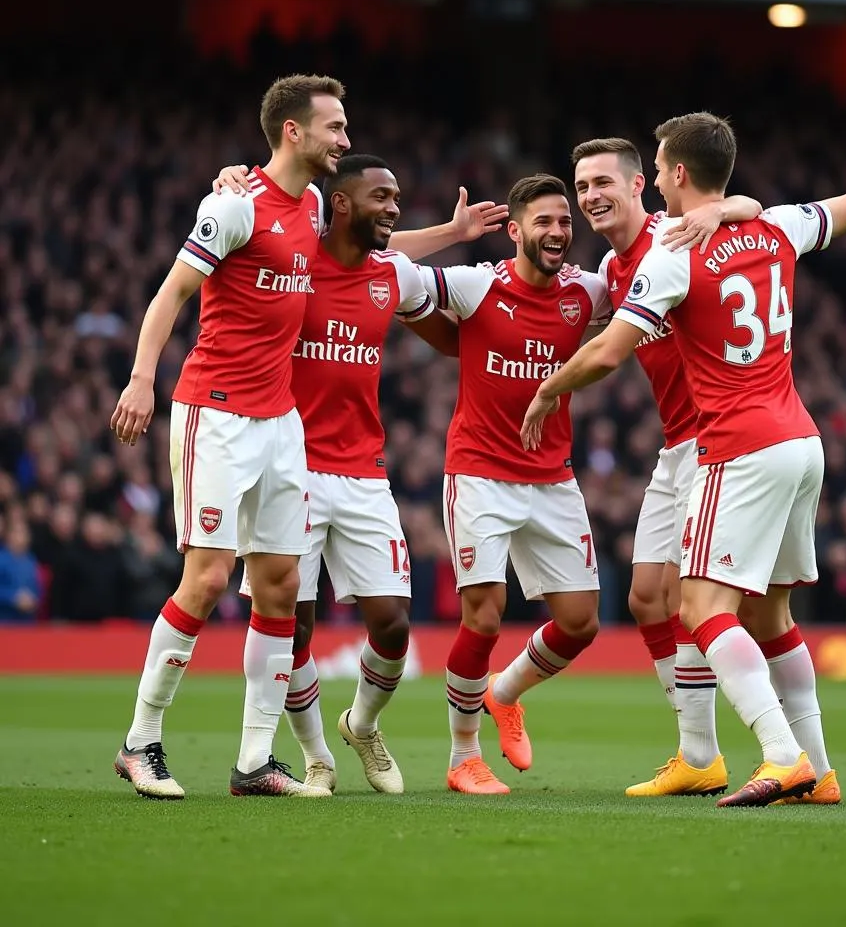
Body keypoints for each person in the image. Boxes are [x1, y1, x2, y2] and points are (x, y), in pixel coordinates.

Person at [523, 68, 846, 806]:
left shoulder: (671, 254)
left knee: (703, 610)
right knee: (771, 615)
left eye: (657, 170)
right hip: (802, 441)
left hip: (736, 446)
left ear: (675, 175)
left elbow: (612, 350)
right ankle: (821, 770)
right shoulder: (771, 224)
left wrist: (551, 387)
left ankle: (780, 756)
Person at [216, 155, 507, 793]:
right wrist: (230, 179)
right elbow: (245, 232)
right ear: (339, 205)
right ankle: (315, 753)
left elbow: (450, 320)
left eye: (398, 196)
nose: (395, 206)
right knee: (292, 624)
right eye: (382, 195)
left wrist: (462, 249)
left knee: (393, 623)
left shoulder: (392, 276)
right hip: (288, 464)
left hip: (365, 474)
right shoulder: (292, 264)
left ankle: (362, 724)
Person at [110, 74, 350, 799]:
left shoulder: (310, 204)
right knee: (209, 576)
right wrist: (141, 379)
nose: (346, 138)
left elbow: (376, 244)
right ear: (292, 132)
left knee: (279, 585)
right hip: (215, 412)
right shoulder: (232, 206)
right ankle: (139, 742)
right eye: (334, 127)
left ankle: (254, 762)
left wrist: (454, 235)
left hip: (281, 423)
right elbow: (171, 293)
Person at [403, 174, 611, 794]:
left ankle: (506, 692)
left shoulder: (587, 293)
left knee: (580, 623)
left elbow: (642, 286)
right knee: (485, 617)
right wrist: (452, 234)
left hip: (553, 478)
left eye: (565, 222)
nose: (557, 233)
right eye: (543, 222)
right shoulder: (476, 285)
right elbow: (389, 273)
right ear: (516, 230)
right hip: (480, 474)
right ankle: (463, 755)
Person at [571, 137, 760, 797]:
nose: (592, 195)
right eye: (582, 185)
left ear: (638, 188)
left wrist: (725, 205)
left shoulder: (673, 235)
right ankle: (695, 749)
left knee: (690, 600)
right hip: (674, 445)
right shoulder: (609, 265)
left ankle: (708, 751)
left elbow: (749, 204)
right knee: (645, 597)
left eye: (604, 182)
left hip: (718, 439)